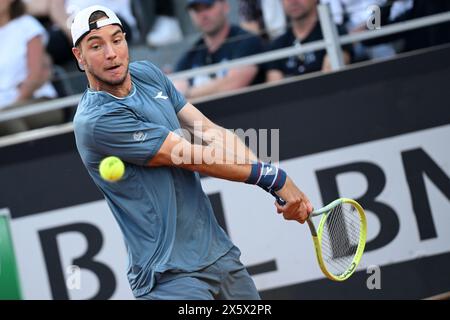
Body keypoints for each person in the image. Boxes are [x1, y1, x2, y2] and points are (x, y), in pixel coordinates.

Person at [71, 5, 312, 299]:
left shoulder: (147, 74)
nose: (111, 53)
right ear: (79, 57)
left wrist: (273, 183)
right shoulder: (96, 121)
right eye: (96, 46)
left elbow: (209, 132)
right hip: (167, 278)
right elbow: (189, 156)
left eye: (117, 39)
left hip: (220, 258)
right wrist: (274, 178)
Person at [174, 0, 265, 100]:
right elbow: (175, 95)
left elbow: (233, 85)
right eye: (196, 10)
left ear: (225, 6)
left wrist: (188, 93)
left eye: (208, 7)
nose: (203, 15)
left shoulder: (247, 41)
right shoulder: (189, 55)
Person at [0, 0, 59, 136]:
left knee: (7, 118)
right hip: (4, 106)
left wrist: (13, 104)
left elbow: (35, 75)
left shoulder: (27, 25)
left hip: (38, 101)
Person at [266, 0, 352, 82]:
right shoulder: (277, 45)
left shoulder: (334, 32)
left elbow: (331, 80)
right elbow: (276, 90)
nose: (293, 1)